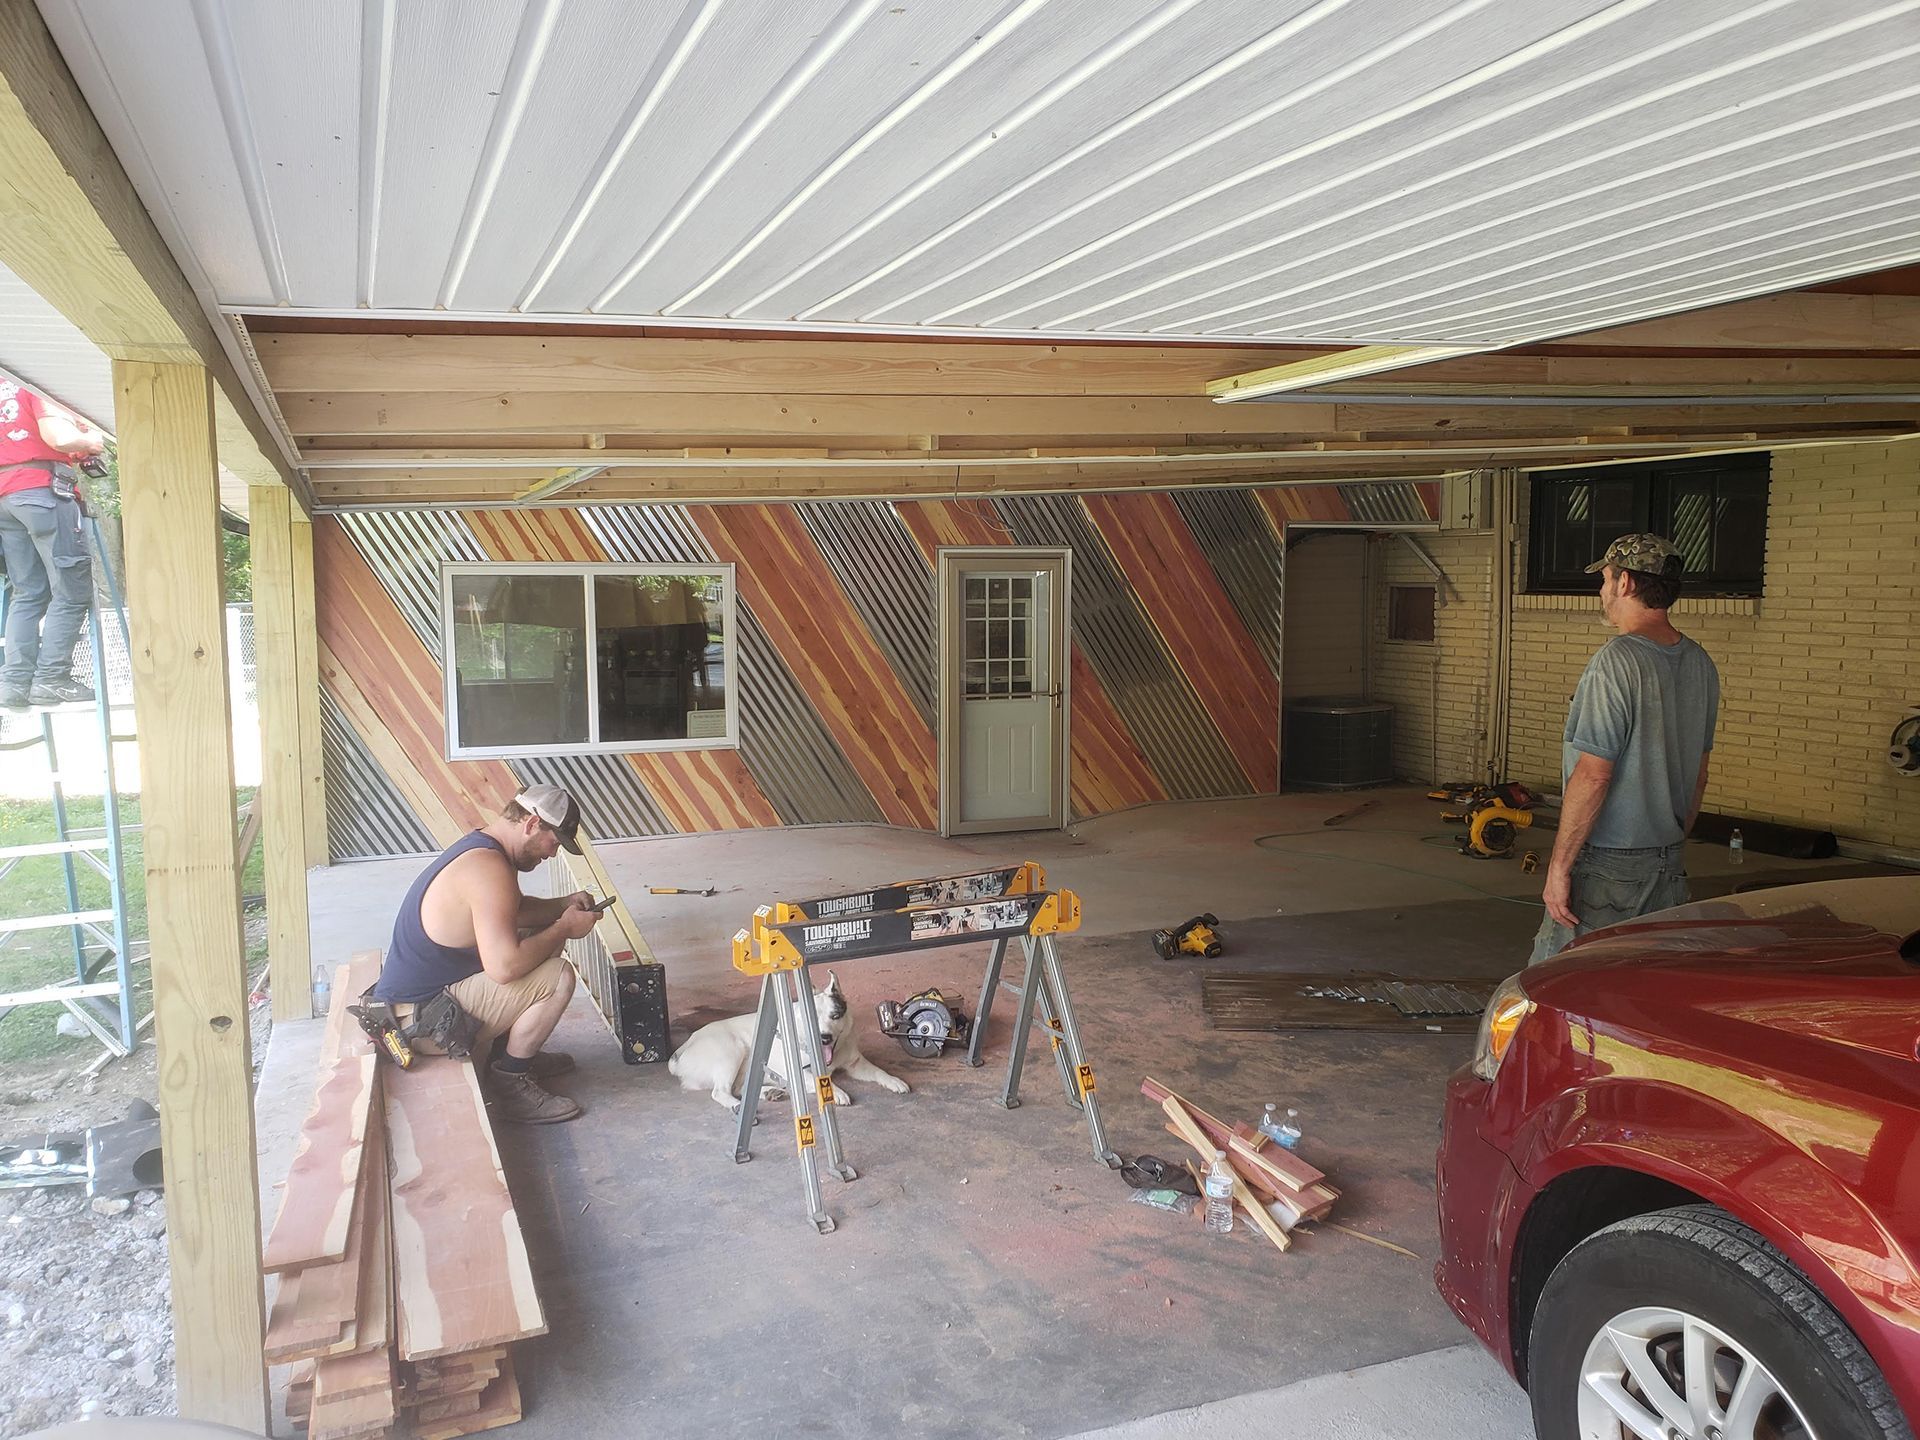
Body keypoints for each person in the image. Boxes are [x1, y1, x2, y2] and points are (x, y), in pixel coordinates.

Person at [1528, 533, 1720, 966]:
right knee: (1640, 984)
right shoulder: (1700, 663)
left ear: (1626, 583)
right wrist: (1668, 842)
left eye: (1606, 578)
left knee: (1559, 987)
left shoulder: (1618, 659)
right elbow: (1700, 774)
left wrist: (1559, 869)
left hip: (1607, 869)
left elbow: (1594, 774)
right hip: (1668, 861)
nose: (1601, 590)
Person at [370, 784, 601, 1123]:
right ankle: (511, 1079)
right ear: (533, 824)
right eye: (554, 843)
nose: (552, 854)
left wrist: (563, 906)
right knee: (559, 976)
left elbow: (513, 912)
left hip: (414, 1007)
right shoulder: (488, 868)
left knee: (538, 934)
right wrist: (564, 927)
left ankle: (513, 1049)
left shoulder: (485, 849)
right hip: (420, 1025)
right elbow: (504, 967)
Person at [0, 379, 106, 710]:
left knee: (28, 592)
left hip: (7, 497)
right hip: (42, 494)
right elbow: (57, 437)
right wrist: (92, 440)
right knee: (72, 589)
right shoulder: (37, 384)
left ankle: (14, 684)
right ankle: (51, 679)